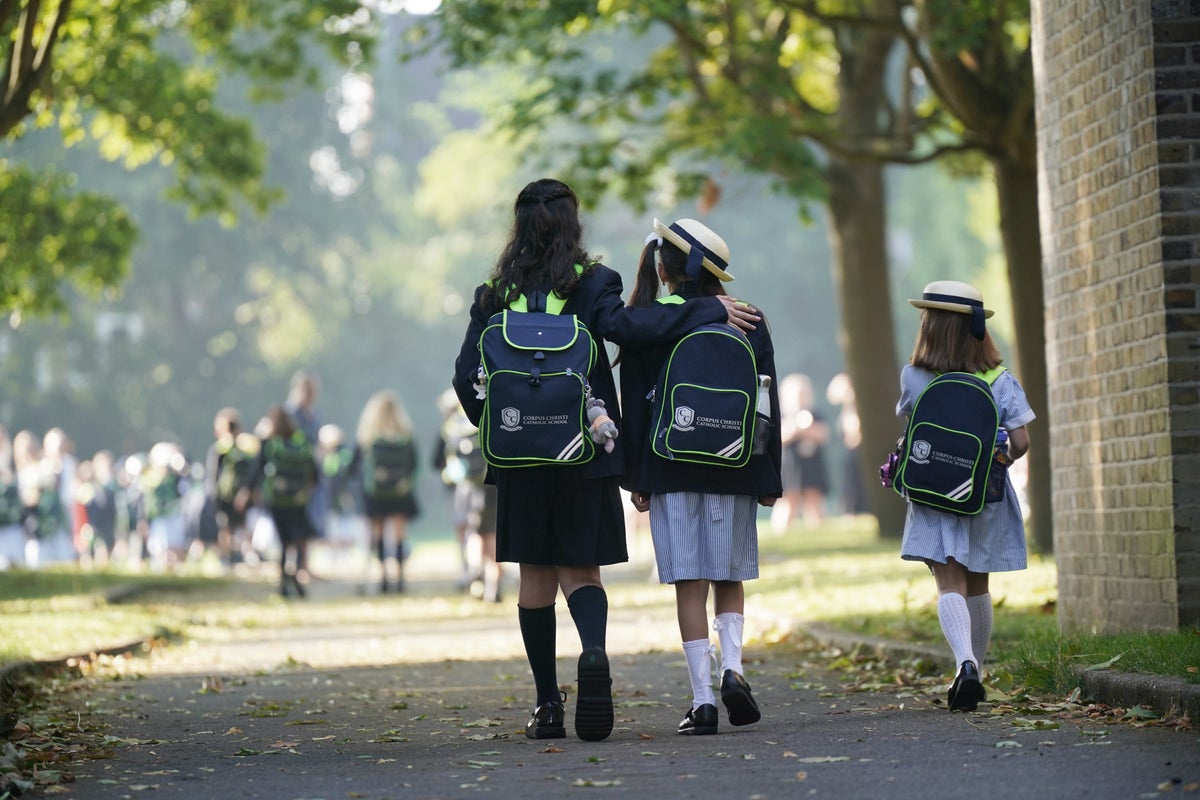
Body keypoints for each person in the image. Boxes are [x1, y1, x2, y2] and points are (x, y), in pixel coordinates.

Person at [451, 178, 759, 743]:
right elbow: (629, 329)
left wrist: (499, 429)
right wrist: (705, 312)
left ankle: (547, 706)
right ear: (573, 223)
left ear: (518, 226)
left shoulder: (495, 292)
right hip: (585, 450)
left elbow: (464, 375)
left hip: (519, 461)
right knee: (581, 572)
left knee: (535, 578)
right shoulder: (595, 283)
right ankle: (593, 652)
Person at [619, 218, 783, 736]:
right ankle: (734, 668)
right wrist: (767, 474)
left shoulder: (647, 321)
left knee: (689, 582)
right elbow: (764, 403)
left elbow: (637, 406)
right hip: (736, 466)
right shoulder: (749, 319)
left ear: (664, 269)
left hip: (669, 468)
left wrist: (637, 475)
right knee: (728, 575)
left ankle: (703, 699)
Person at [897, 280, 1035, 712]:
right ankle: (978, 669)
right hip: (983, 492)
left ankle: (965, 664)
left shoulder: (915, 375)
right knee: (978, 582)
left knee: (948, 580)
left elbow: (911, 418)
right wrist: (1003, 459)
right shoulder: (999, 377)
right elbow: (1023, 440)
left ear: (930, 327)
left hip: (935, 491)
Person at [355, 390, 420, 594]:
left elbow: (355, 465)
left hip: (376, 494)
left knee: (380, 534)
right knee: (399, 535)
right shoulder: (405, 435)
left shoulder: (368, 436)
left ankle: (383, 576)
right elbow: (414, 464)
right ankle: (400, 577)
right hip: (400, 492)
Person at [254, 404, 319, 598]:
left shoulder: (269, 444)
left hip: (277, 500)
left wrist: (250, 492)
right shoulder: (302, 443)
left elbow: (257, 470)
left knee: (284, 542)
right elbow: (314, 472)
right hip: (298, 499)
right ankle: (297, 577)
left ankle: (284, 581)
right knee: (298, 539)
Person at [772, 373, 830, 532]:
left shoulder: (815, 413)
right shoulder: (782, 415)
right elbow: (778, 437)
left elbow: (824, 434)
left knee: (814, 497)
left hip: (811, 464)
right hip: (790, 465)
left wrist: (807, 430)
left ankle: (818, 532)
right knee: (788, 500)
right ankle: (781, 532)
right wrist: (797, 427)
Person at [205, 408, 260, 569]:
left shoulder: (219, 449)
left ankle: (225, 560)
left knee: (226, 529)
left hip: (225, 497)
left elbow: (213, 475)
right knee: (242, 527)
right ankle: (248, 557)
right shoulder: (247, 448)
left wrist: (214, 498)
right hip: (242, 496)